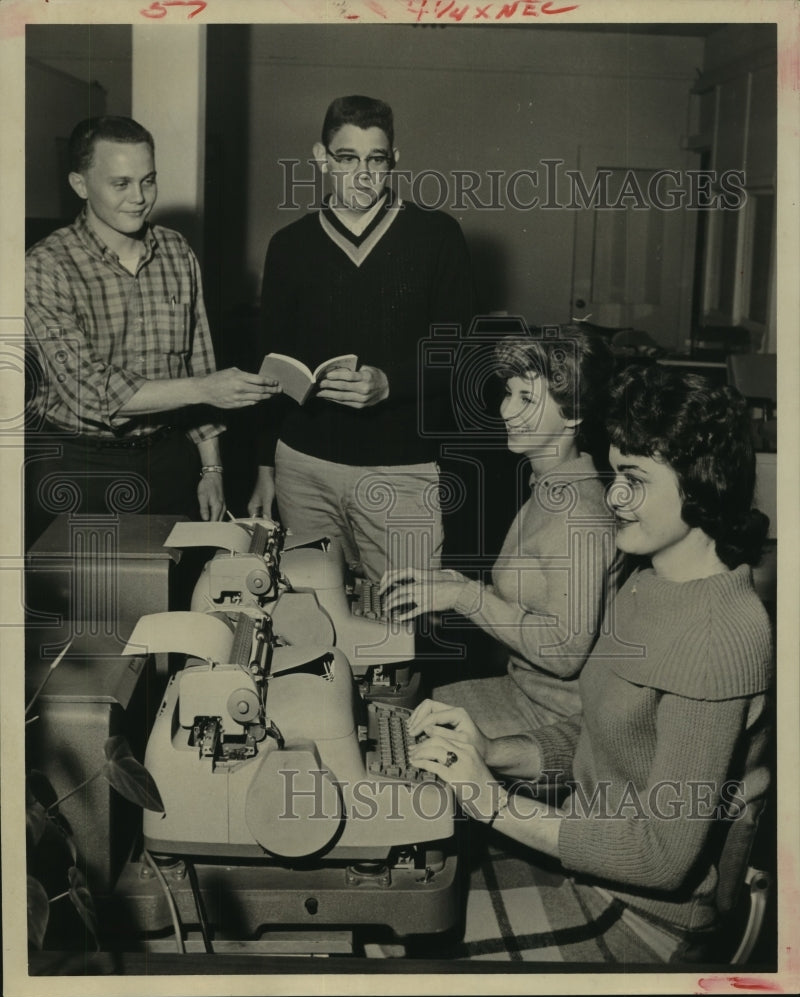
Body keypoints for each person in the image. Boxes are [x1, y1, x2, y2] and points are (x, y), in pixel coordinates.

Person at [405, 366, 774, 964]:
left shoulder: (719, 636)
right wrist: (498, 752)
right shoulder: (647, 582)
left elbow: (662, 856)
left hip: (651, 917)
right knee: (405, 907)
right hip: (592, 858)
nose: (613, 496)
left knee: (416, 953)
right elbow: (605, 732)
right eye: (612, 473)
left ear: (702, 484)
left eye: (634, 478)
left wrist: (492, 801)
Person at [247, 94, 475, 582]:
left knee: (401, 622)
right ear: (321, 157)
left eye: (376, 160)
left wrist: (390, 383)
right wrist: (265, 466)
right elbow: (271, 368)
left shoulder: (437, 235)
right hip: (302, 466)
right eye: (346, 159)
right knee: (313, 613)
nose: (362, 175)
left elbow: (460, 353)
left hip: (401, 469)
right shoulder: (289, 245)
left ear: (394, 161)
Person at [25, 115, 278, 547]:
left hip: (167, 461)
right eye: (121, 184)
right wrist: (204, 389)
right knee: (90, 608)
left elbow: (198, 358)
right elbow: (91, 390)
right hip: (78, 468)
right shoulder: (44, 267)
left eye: (148, 180)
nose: (139, 198)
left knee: (173, 600)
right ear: (80, 184)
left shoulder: (178, 251)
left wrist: (211, 468)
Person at [380, 326, 625, 734]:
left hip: (564, 719)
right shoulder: (548, 487)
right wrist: (448, 585)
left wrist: (464, 595)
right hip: (527, 692)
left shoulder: (578, 516)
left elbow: (565, 652)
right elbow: (534, 599)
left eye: (527, 398)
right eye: (509, 393)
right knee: (408, 709)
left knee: (407, 724)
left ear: (574, 413)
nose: (507, 411)